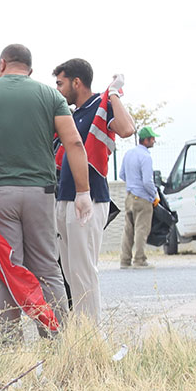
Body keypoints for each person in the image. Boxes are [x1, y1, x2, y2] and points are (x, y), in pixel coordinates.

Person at [0, 44, 93, 340]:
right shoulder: (50, 95)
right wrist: (83, 191)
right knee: (48, 269)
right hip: (41, 193)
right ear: (30, 71)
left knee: (5, 270)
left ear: (2, 65)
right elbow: (74, 143)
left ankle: (8, 347)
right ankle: (58, 340)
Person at [52, 59, 134, 318]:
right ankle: (81, 328)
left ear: (77, 82)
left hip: (89, 198)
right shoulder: (72, 114)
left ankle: (92, 334)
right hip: (63, 197)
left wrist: (114, 95)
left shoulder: (101, 106)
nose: (58, 90)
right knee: (68, 270)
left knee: (83, 270)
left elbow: (127, 129)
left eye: (60, 83)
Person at [119, 127, 159, 270]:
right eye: (152, 138)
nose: (154, 141)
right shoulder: (146, 157)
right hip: (142, 198)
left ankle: (125, 260)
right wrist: (154, 194)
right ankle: (140, 260)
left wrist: (132, 182)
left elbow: (122, 174)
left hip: (129, 196)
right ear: (146, 140)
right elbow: (147, 181)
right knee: (142, 229)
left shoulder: (129, 153)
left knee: (128, 229)